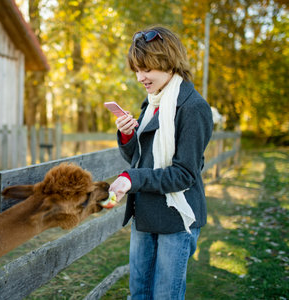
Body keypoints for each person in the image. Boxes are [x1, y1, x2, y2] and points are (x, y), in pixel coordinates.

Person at [108, 25, 213, 299]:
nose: (140, 77)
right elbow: (140, 159)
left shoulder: (193, 108)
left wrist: (132, 179)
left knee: (165, 295)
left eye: (147, 69)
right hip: (145, 214)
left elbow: (183, 174)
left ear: (169, 63)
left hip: (176, 220)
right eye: (137, 70)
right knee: (138, 293)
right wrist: (128, 134)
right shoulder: (153, 102)